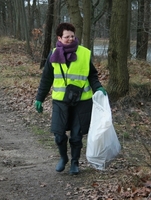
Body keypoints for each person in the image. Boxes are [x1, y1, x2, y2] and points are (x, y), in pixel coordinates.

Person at [34, 23, 106, 175]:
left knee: (76, 135)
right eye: (67, 37)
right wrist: (39, 98)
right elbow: (46, 79)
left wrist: (98, 87)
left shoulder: (84, 53)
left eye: (72, 36)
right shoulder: (53, 54)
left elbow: (92, 75)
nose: (70, 39)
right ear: (59, 38)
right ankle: (63, 158)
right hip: (60, 101)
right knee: (59, 135)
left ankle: (75, 162)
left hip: (82, 101)